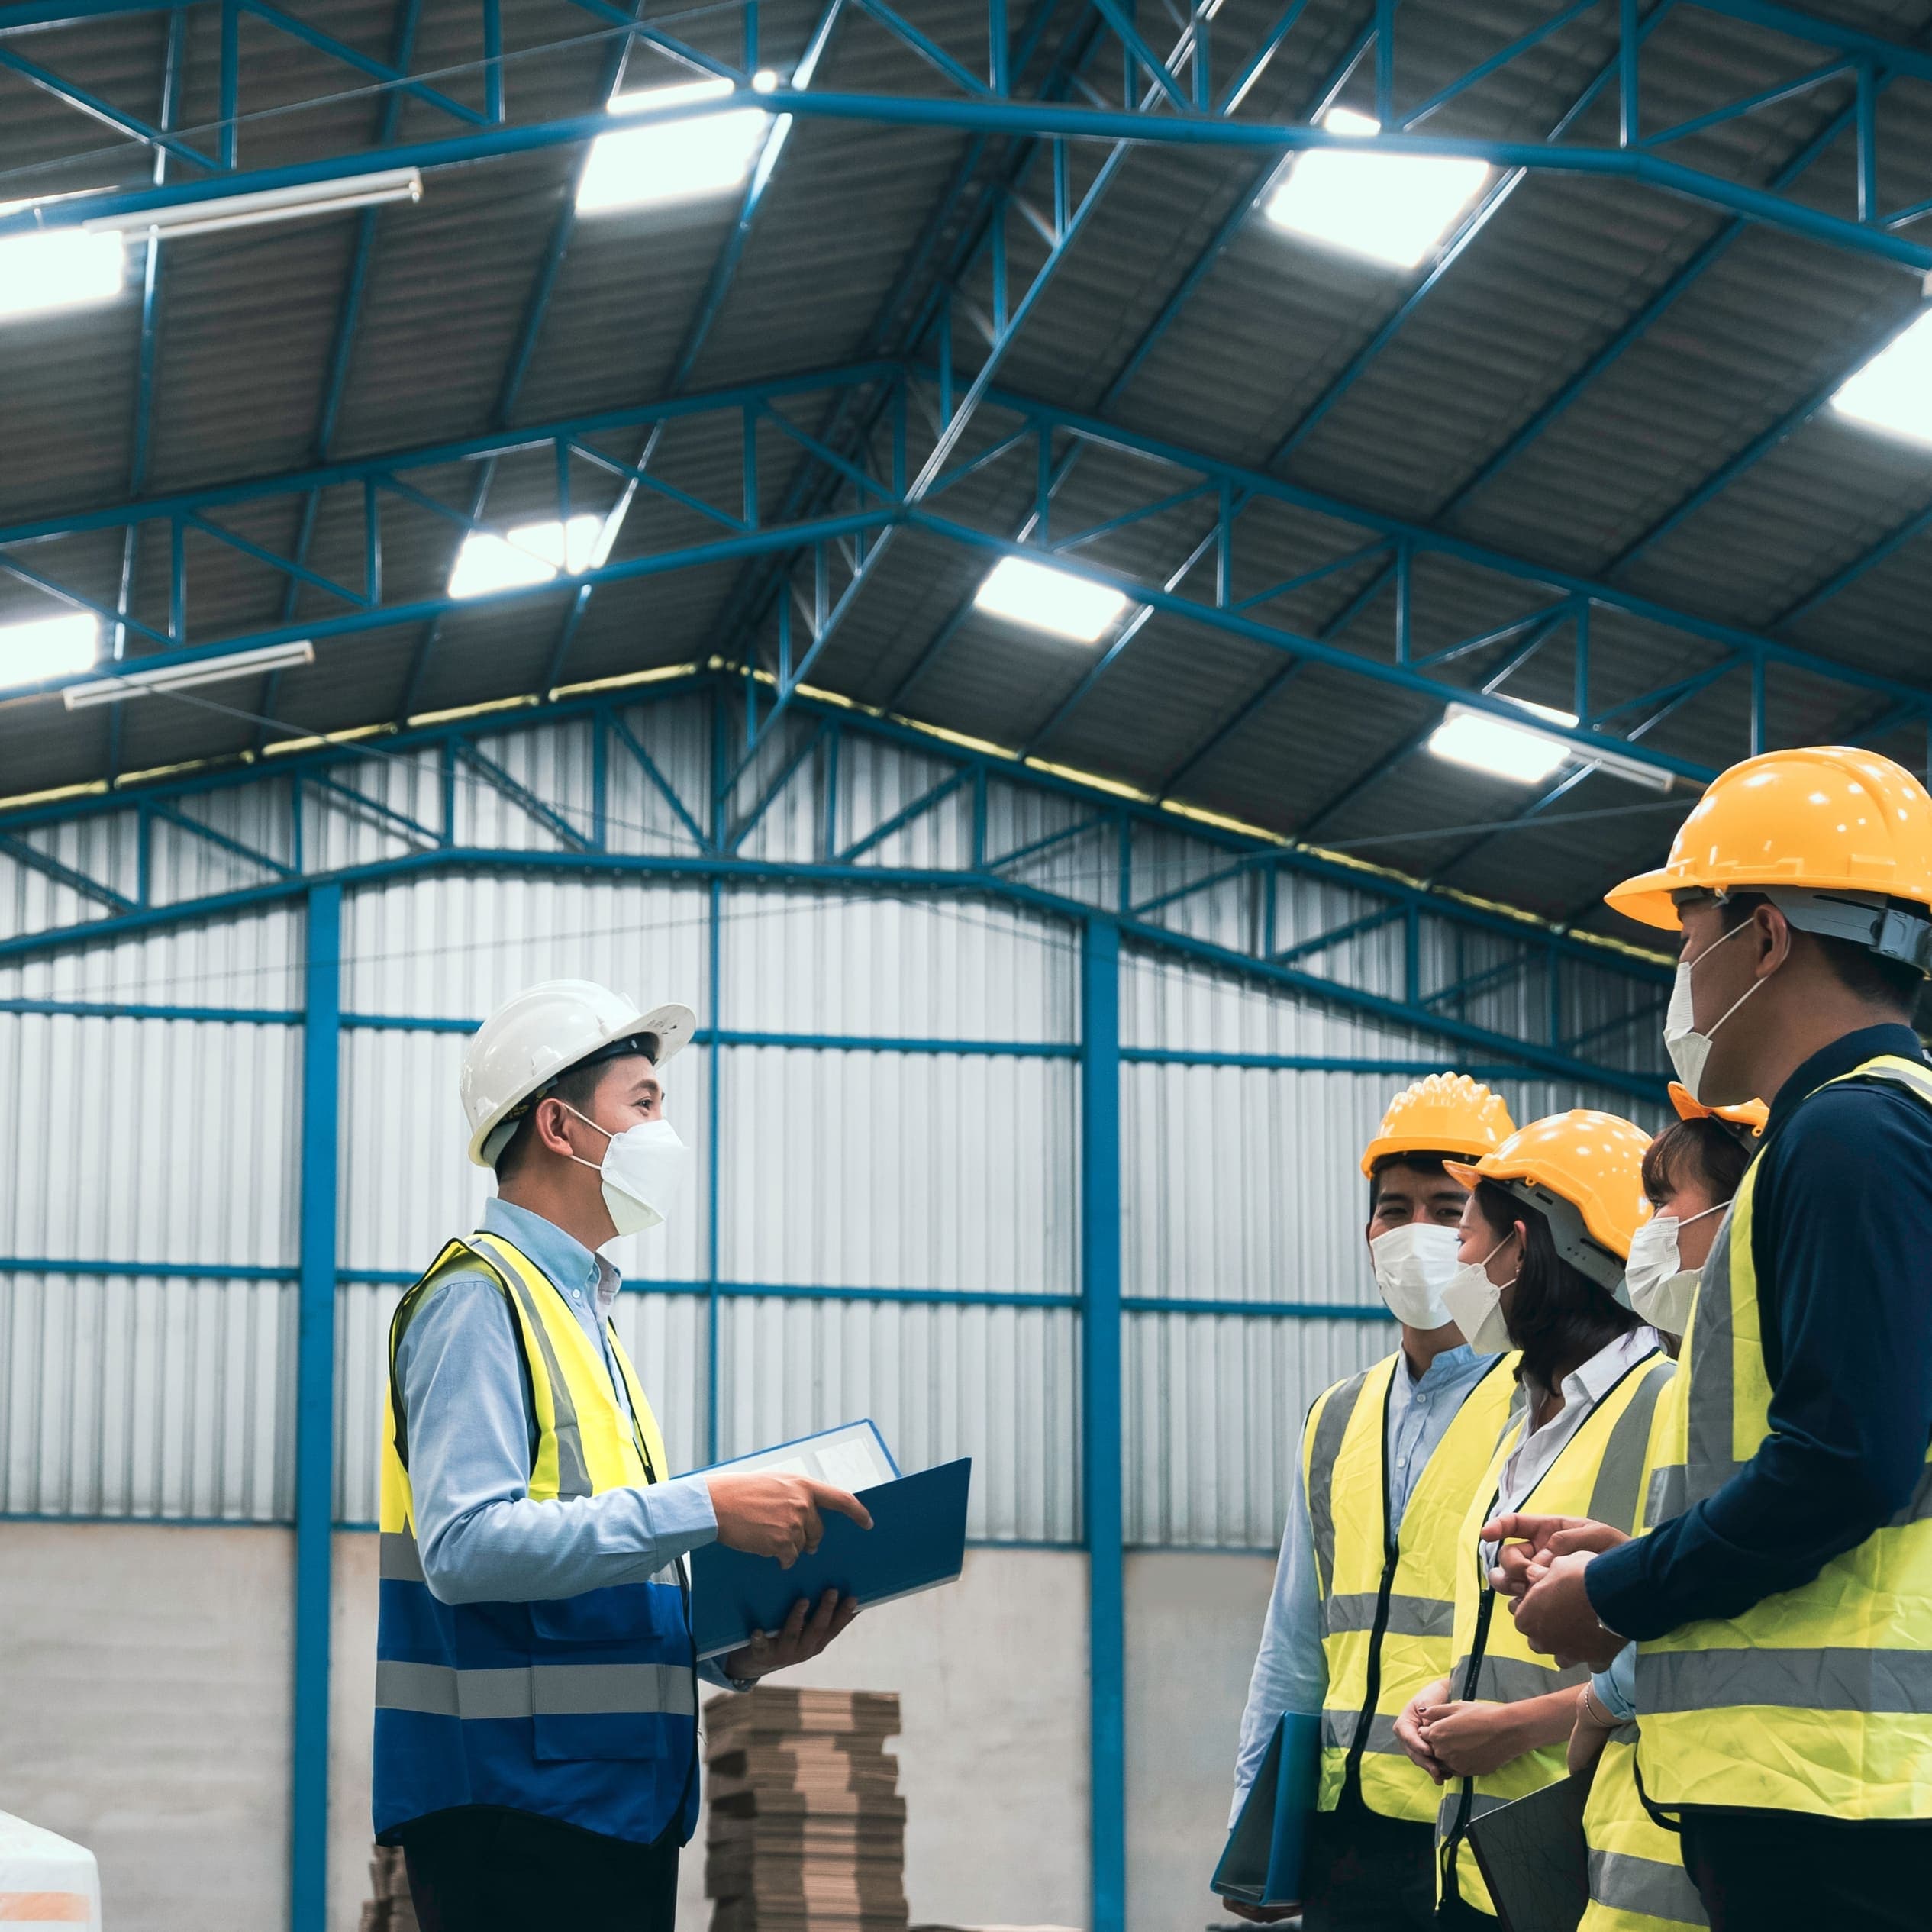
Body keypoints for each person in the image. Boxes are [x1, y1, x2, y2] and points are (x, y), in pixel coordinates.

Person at [1494, 745, 1932, 1932]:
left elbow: (1845, 1464)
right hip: (1828, 1789)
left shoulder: (1850, 1136)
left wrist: (1619, 1589)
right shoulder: (1856, 1134)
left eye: (1689, 930)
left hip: (1831, 1796)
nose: (1681, 969)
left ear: (1766, 936)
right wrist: (1639, 1549)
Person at [373, 979, 872, 1932]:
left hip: (605, 1805)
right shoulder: (479, 1298)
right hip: (515, 1814)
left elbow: (588, 1572)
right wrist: (708, 1506)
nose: (662, 1130)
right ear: (559, 1126)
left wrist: (730, 1652)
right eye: (642, 1102)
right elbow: (466, 1546)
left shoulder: (585, 1316)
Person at [1222, 1073, 1521, 1932]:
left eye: (1446, 1205)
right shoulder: (1336, 1415)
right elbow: (1292, 1641)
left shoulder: (1541, 1401)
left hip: (1477, 1824)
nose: (1416, 1232)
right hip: (1343, 1835)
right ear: (1367, 1233)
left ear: (1502, 1233)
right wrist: (1257, 1822)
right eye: (1394, 1209)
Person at [1387, 1110, 1671, 1930]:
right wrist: (1454, 1689)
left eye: (1465, 1238)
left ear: (1521, 1246)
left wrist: (1511, 1726)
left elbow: (1687, 1648)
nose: (1455, 1264)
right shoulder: (1525, 1413)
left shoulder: (1659, 1402)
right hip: (1479, 1870)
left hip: (1593, 1864)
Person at [1563, 1086, 1760, 1932]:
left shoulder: (1740, 1379)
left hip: (1741, 1810)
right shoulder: (1693, 1375)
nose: (1642, 1230)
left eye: (1659, 1203)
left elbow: (1761, 1559)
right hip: (1662, 1817)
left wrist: (1606, 1684)